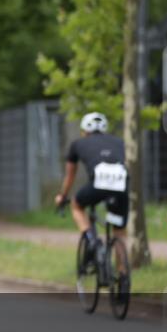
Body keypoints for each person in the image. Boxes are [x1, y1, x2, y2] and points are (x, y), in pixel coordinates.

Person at [55, 112, 129, 264]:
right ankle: (123, 274)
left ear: (84, 131)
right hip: (121, 185)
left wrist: (62, 196)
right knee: (119, 232)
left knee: (76, 205)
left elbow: (70, 176)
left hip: (97, 184)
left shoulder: (77, 144)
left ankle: (90, 239)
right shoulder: (119, 142)